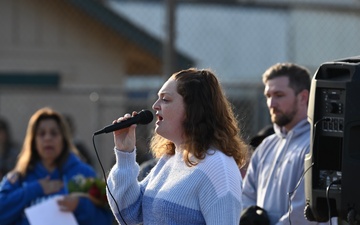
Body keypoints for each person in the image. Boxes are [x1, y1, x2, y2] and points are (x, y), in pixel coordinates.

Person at [106, 68, 247, 224]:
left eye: (165, 99)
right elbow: (129, 215)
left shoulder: (219, 168)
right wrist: (125, 154)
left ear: (194, 109)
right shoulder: (169, 160)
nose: (155, 106)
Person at [0, 107, 113, 225]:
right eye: (41, 134)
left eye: (54, 133)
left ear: (64, 139)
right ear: (33, 141)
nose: (48, 138)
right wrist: (34, 189)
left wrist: (79, 206)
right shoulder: (20, 177)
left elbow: (106, 219)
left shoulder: (84, 174)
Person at [241, 63, 318, 225]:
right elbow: (246, 197)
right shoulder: (265, 146)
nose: (271, 104)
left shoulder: (315, 145)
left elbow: (305, 214)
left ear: (303, 97)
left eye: (279, 95)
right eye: (268, 96)